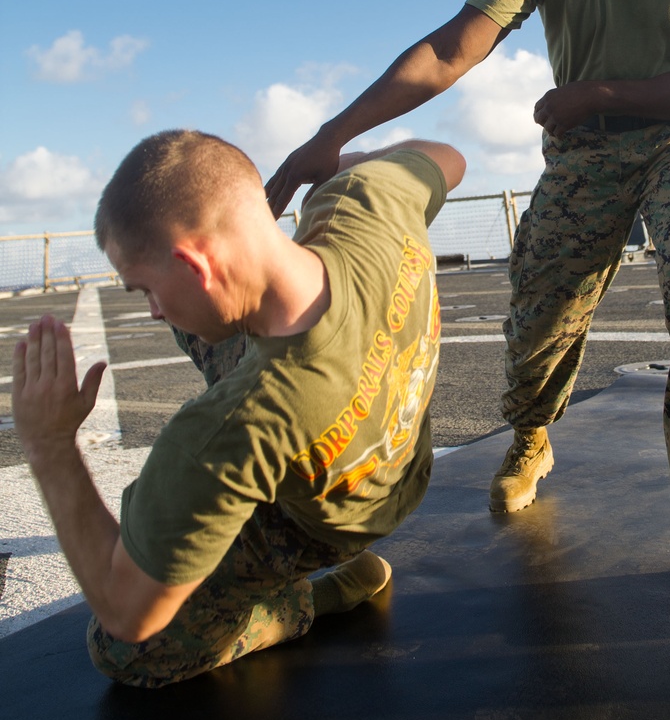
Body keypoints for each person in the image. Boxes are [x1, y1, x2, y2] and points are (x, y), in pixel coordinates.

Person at [266, 0, 670, 635]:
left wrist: (592, 87)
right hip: (588, 152)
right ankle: (533, 430)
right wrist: (329, 136)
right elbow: (454, 47)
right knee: (538, 312)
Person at [12, 128, 465, 688]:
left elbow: (127, 613)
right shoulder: (365, 201)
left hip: (324, 524)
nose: (153, 311)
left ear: (195, 265)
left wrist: (49, 445)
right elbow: (447, 157)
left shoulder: (226, 432)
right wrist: (351, 164)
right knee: (204, 333)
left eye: (146, 290)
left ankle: (305, 602)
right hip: (403, 463)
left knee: (125, 655)